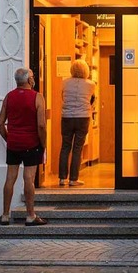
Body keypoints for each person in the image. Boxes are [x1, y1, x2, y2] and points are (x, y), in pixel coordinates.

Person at [0, 67, 48, 226]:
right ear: (29, 80)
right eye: (32, 76)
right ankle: (30, 216)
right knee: (28, 178)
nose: (33, 78)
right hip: (31, 143)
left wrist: (9, 139)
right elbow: (41, 125)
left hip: (14, 144)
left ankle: (5, 215)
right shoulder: (37, 97)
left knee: (10, 178)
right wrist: (44, 144)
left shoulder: (9, 97)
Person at [59, 59, 96, 187]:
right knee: (77, 148)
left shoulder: (64, 82)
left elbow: (63, 97)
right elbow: (92, 100)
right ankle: (73, 179)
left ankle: (62, 178)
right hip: (83, 117)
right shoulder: (91, 84)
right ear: (86, 70)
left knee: (65, 147)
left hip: (67, 117)